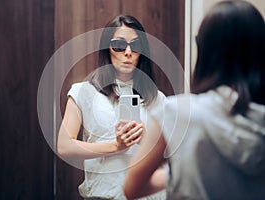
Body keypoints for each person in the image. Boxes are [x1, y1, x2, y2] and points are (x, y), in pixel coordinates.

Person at [124, 1, 265, 199]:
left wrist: (181, 170)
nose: (127, 53)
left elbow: (132, 188)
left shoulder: (174, 111)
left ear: (204, 50)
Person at [57, 15, 167, 199]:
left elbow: (171, 153)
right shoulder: (84, 92)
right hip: (103, 194)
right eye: (119, 45)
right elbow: (64, 146)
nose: (128, 52)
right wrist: (116, 146)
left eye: (136, 45)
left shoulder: (157, 98)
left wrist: (145, 139)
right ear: (107, 48)